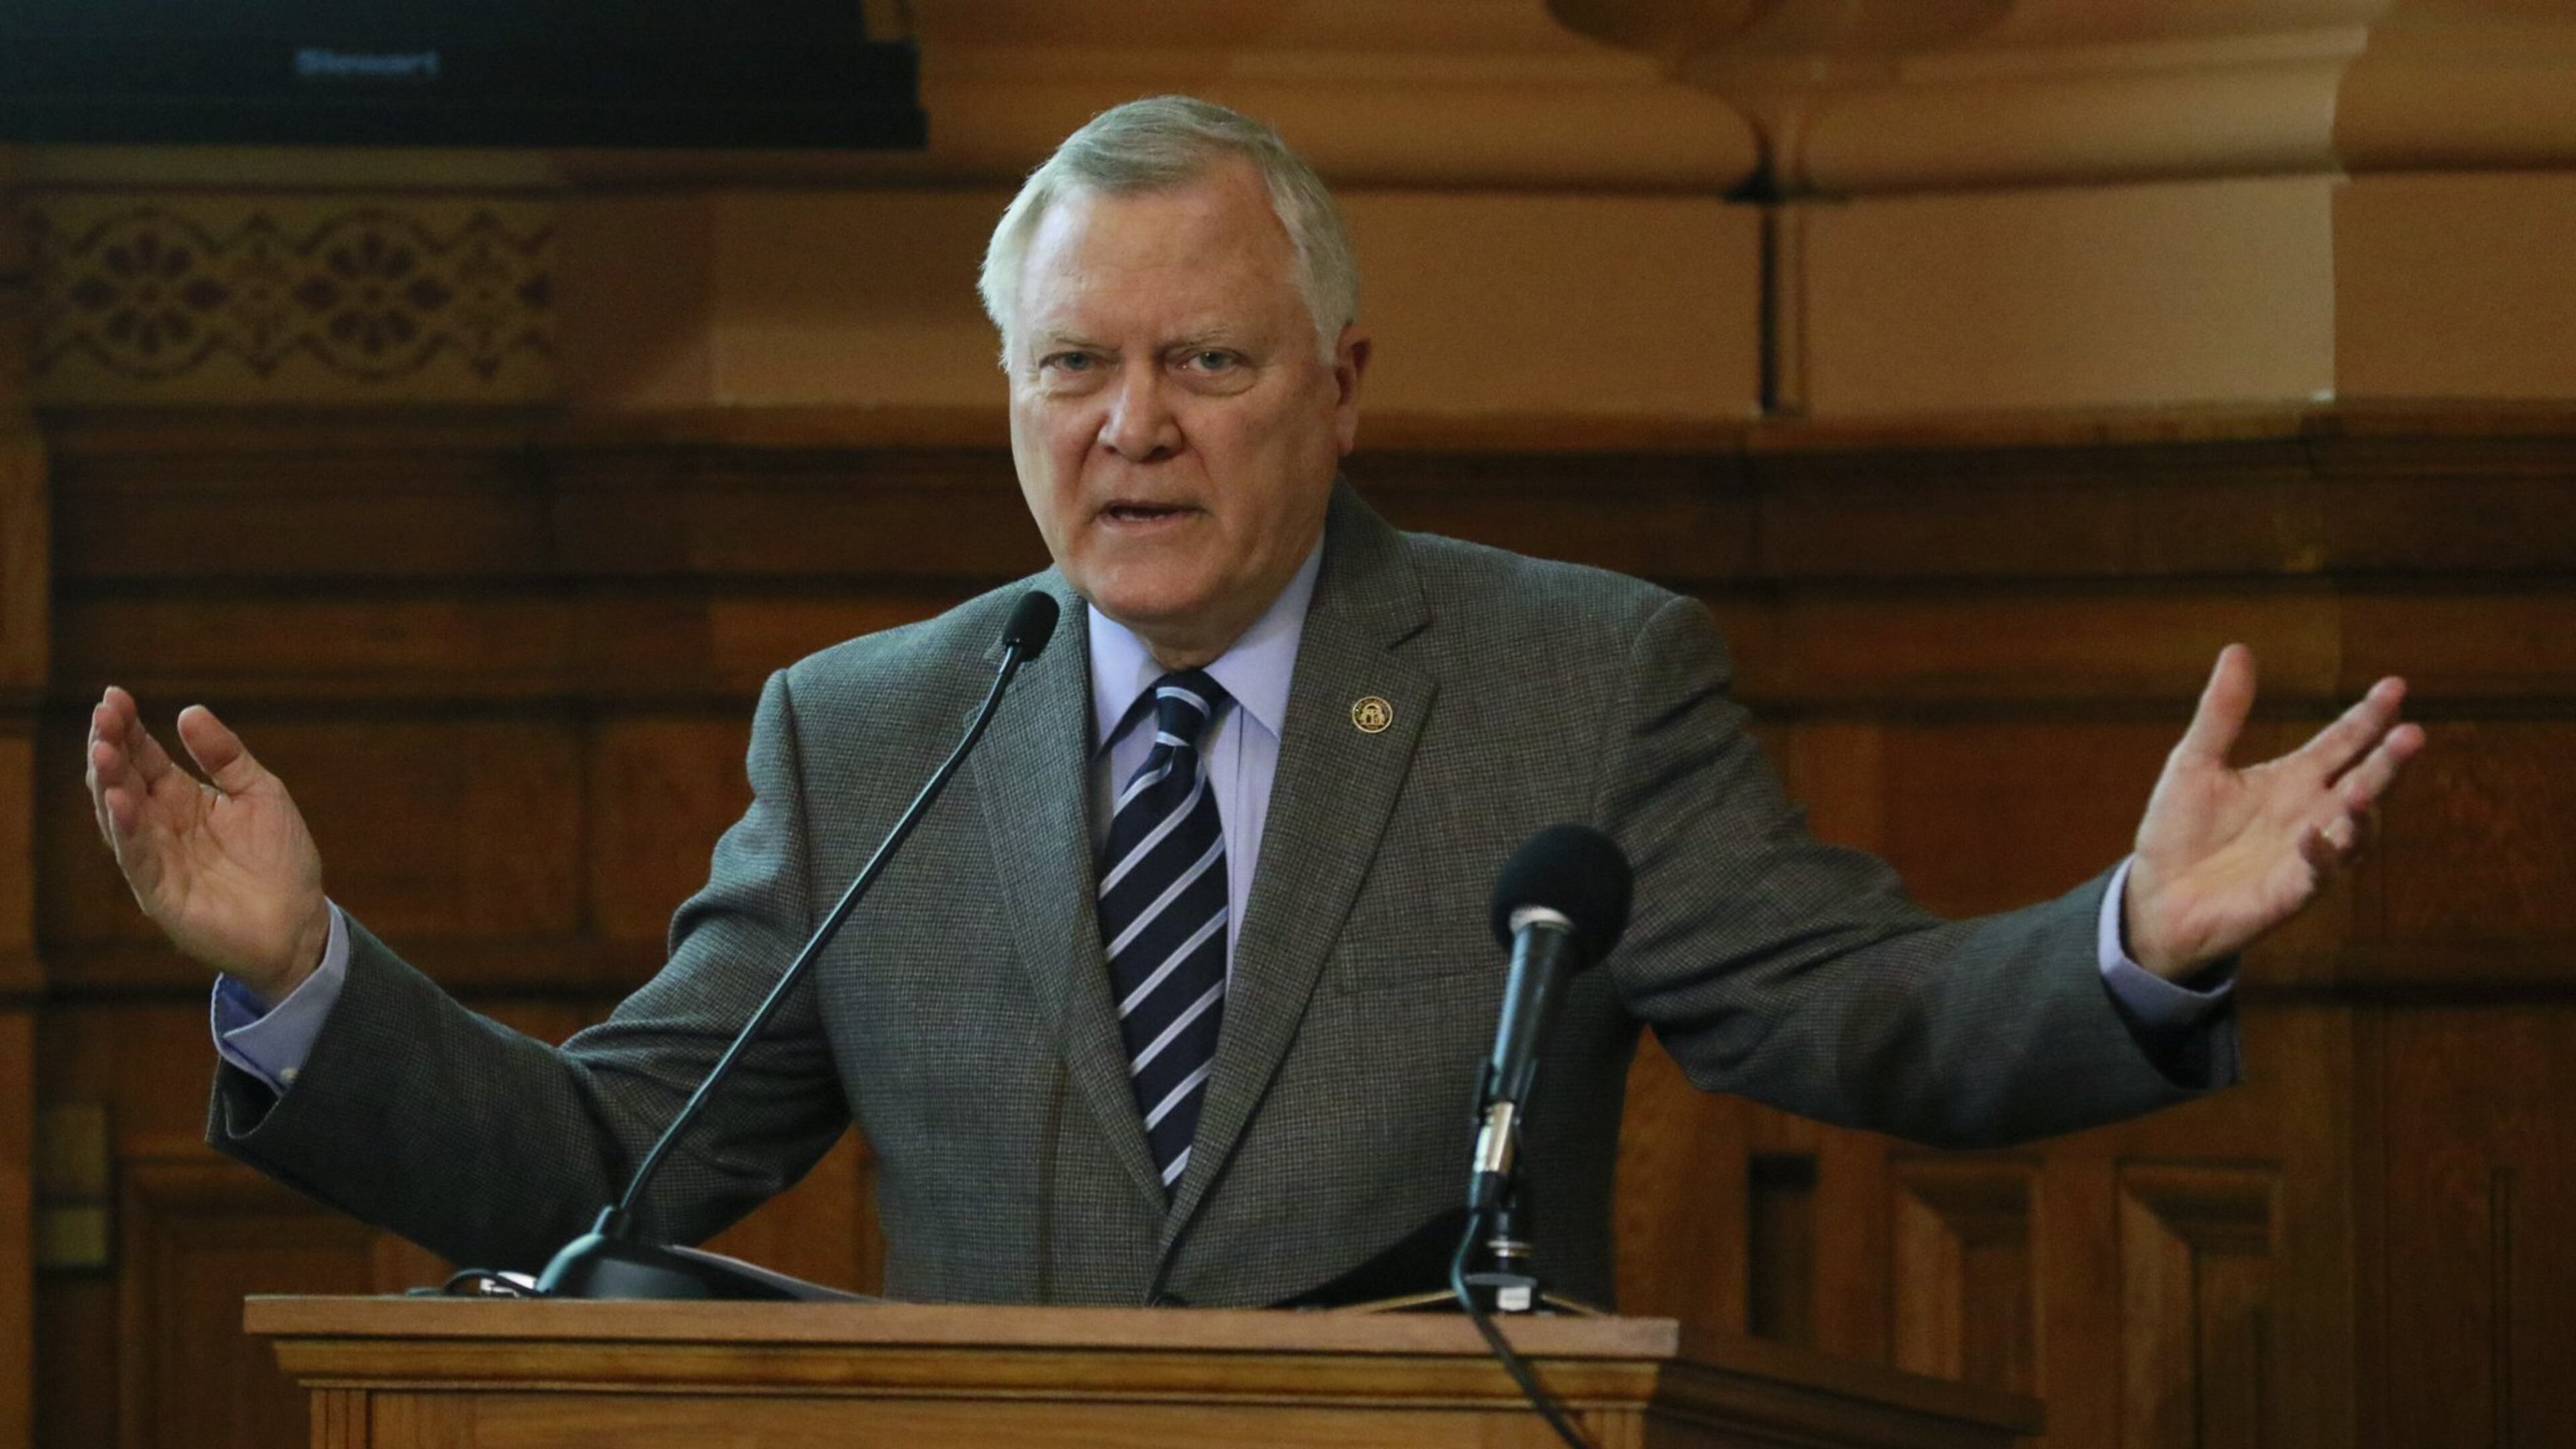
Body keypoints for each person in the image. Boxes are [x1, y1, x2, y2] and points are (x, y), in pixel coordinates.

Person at [82, 97, 2421, 1310]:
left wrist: (2129, 937)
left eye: (1205, 361)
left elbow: (1852, 1022)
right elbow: (612, 1174)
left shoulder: (1573, 680)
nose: (1134, 427)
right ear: (1005, 401)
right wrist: (304, 980)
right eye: (1072, 368)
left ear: (1339, 388)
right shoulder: (873, 729)